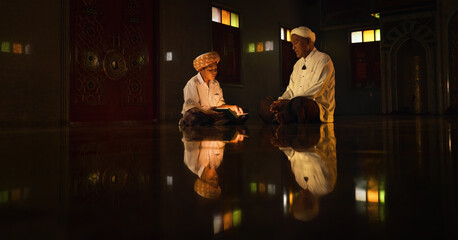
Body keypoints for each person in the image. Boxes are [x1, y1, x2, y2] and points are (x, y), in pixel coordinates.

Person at [260, 26, 335, 124]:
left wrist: (287, 102)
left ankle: (280, 116)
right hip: (291, 105)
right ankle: (282, 116)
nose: (293, 47)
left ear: (308, 41)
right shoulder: (298, 64)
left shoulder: (323, 59)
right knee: (266, 102)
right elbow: (290, 90)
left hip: (314, 106)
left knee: (298, 103)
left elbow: (315, 91)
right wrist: (280, 101)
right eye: (292, 44)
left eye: (296, 42)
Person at [180, 51, 247, 126]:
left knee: (242, 112)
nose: (214, 72)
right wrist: (206, 112)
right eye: (210, 70)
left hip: (213, 114)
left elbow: (220, 105)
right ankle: (216, 122)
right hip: (199, 114)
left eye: (216, 69)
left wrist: (233, 107)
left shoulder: (215, 84)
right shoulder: (193, 83)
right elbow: (191, 107)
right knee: (194, 117)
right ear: (201, 70)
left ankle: (215, 122)